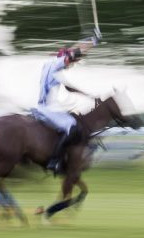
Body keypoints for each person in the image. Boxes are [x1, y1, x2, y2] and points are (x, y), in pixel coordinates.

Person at [32, 37, 97, 174]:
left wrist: (86, 94)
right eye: (70, 63)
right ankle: (54, 161)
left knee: (73, 118)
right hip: (47, 110)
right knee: (72, 127)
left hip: (47, 107)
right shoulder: (57, 64)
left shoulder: (50, 65)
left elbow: (69, 87)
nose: (70, 66)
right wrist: (92, 43)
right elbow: (73, 54)